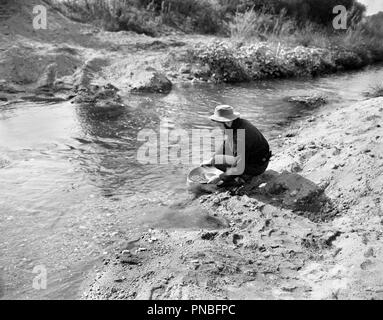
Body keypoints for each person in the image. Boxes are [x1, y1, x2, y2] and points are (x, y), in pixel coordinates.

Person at [201, 105, 271, 184]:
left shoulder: (240, 137)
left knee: (216, 161)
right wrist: (211, 159)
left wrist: (219, 177)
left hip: (257, 167)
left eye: (220, 125)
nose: (219, 128)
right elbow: (226, 143)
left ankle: (244, 176)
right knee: (215, 159)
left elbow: (239, 167)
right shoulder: (239, 124)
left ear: (228, 122)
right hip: (258, 159)